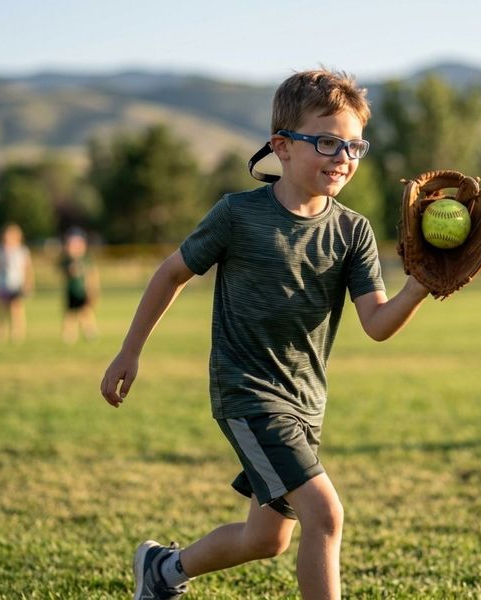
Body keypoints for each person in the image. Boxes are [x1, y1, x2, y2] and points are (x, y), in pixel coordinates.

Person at [100, 69, 430, 600]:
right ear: (282, 146)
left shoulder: (353, 231)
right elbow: (170, 274)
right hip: (247, 394)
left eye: (354, 145)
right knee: (325, 516)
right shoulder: (237, 215)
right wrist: (129, 351)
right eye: (327, 141)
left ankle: (163, 570)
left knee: (268, 538)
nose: (343, 156)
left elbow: (376, 323)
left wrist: (418, 288)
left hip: (306, 404)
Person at [0, 222, 34, 343]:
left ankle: (17, 333)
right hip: (2, 283)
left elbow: (28, 267)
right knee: (2, 308)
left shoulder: (21, 250)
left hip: (16, 283)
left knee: (16, 309)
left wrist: (28, 282)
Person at [59, 227, 99, 343]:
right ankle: (69, 334)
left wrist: (93, 289)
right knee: (70, 314)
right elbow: (63, 272)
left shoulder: (86, 259)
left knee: (85, 312)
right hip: (71, 291)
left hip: (83, 291)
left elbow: (92, 274)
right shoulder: (67, 260)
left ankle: (90, 332)